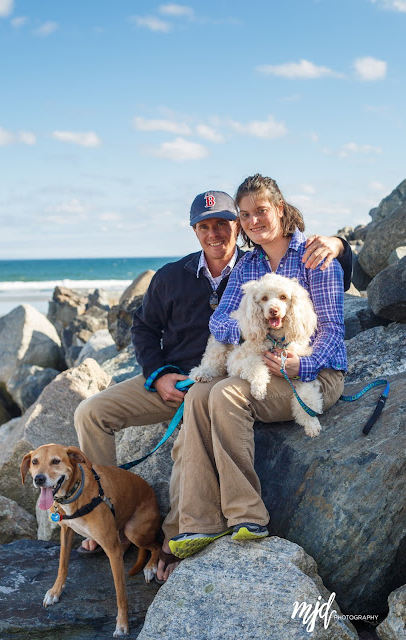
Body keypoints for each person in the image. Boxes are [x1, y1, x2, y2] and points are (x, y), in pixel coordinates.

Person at [74, 187, 351, 581]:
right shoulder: (186, 274)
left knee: (198, 424)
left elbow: (331, 308)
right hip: (182, 377)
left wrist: (340, 244)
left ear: (236, 227)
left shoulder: (264, 263)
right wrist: (159, 374)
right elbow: (150, 326)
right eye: (204, 227)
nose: (214, 233)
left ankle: (172, 542)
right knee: (91, 411)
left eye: (223, 224)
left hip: (234, 378)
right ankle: (100, 517)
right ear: (194, 231)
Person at [168, 175, 347, 560]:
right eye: (245, 215)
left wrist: (305, 363)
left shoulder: (316, 256)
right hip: (260, 364)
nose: (253, 221)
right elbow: (219, 323)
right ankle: (198, 521)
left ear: (279, 210)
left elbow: (333, 329)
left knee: (226, 393)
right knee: (199, 393)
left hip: (315, 374)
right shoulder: (248, 264)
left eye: (261, 211)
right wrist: (256, 328)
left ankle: (247, 515)